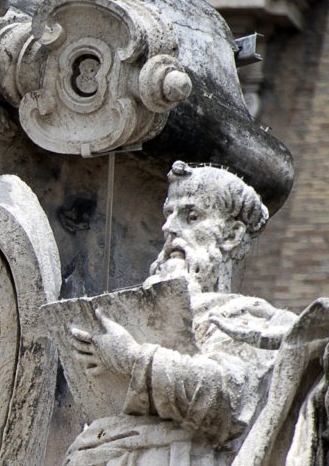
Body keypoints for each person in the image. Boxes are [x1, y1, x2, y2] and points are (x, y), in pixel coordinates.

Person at [65, 161, 296, 465]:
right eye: (169, 215)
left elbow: (228, 399)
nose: (169, 227)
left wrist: (133, 359)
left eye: (191, 216)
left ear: (231, 235)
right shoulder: (134, 314)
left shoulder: (251, 321)